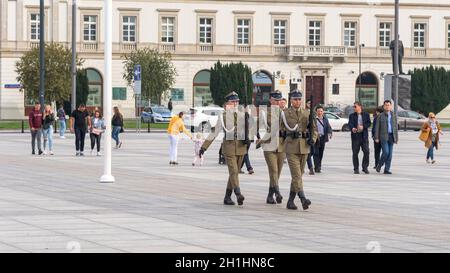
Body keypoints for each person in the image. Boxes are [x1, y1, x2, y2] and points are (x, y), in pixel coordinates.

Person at [200, 91, 251, 206]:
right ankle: (238, 194)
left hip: (241, 147)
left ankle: (227, 196)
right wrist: (204, 147)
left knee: (235, 173)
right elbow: (215, 131)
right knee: (233, 171)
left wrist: (249, 119)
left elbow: (249, 130)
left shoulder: (243, 114)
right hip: (229, 148)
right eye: (232, 102)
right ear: (227, 104)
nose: (235, 104)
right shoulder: (223, 116)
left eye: (236, 102)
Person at [281, 89, 318, 210]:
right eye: (295, 99)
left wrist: (313, 138)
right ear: (291, 100)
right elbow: (281, 130)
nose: (297, 101)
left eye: (299, 99)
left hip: (304, 147)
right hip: (291, 146)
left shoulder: (307, 113)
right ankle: (303, 198)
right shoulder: (285, 113)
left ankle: (290, 201)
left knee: (298, 175)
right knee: (297, 175)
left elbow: (314, 129)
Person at [257, 90, 285, 204]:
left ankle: (270, 195)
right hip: (269, 145)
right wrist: (259, 137)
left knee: (277, 173)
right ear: (271, 100)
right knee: (273, 170)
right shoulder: (265, 113)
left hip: (282, 146)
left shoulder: (285, 113)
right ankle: (277, 192)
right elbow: (255, 126)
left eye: (279, 100)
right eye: (275, 100)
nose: (277, 103)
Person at [375, 100, 399, 174]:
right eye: (386, 105)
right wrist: (376, 137)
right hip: (383, 136)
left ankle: (387, 169)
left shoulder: (393, 115)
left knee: (390, 154)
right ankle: (379, 165)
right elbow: (377, 127)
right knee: (386, 152)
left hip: (392, 136)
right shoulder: (380, 116)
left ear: (391, 106)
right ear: (384, 106)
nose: (387, 106)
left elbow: (395, 127)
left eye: (389, 105)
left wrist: (396, 138)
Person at [348, 102, 371, 174]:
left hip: (364, 136)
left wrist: (363, 126)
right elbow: (350, 124)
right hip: (355, 137)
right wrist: (353, 128)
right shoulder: (352, 115)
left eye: (355, 106)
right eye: (353, 107)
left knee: (366, 151)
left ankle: (365, 167)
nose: (354, 108)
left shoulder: (366, 115)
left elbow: (369, 123)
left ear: (360, 107)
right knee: (355, 153)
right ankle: (356, 168)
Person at [313, 105, 332, 173]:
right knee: (316, 153)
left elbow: (328, 127)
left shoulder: (325, 119)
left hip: (323, 138)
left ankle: (319, 166)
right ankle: (316, 167)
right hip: (316, 138)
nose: (320, 112)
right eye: (318, 111)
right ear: (316, 112)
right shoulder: (313, 119)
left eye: (321, 111)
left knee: (321, 153)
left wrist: (330, 133)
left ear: (323, 112)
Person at [305, 99, 315, 175]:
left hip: (312, 135)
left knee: (312, 152)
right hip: (305, 135)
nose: (310, 104)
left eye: (311, 103)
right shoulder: (304, 112)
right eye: (309, 103)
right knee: (308, 153)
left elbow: (315, 125)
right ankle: (311, 168)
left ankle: (303, 161)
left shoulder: (314, 113)